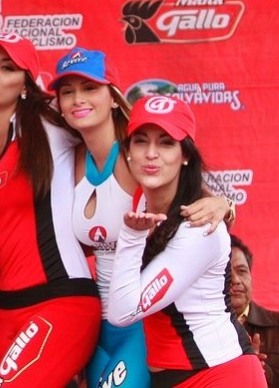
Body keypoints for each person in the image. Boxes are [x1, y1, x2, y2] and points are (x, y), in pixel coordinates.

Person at [49, 47, 231, 388]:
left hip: (137, 323)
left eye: (89, 88)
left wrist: (224, 205)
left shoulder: (139, 158)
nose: (77, 99)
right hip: (91, 321)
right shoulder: (69, 159)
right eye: (67, 91)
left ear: (114, 97)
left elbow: (194, 202)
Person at [0, 32, 101, 387]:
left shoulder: (46, 124)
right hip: (6, 309)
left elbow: (131, 142)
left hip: (61, 301)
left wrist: (210, 199)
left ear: (26, 85)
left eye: (7, 67)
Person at [107, 96, 266, 387]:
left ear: (185, 155)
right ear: (128, 151)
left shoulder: (198, 228)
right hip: (171, 376)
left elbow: (122, 311)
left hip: (220, 376)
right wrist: (226, 204)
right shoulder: (141, 197)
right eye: (141, 141)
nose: (151, 154)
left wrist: (131, 236)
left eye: (166, 143)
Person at [230, 234, 279, 386]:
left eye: (242, 271)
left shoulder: (277, 326)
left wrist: (262, 373)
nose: (235, 280)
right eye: (225, 273)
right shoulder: (195, 330)